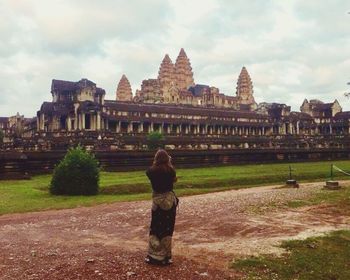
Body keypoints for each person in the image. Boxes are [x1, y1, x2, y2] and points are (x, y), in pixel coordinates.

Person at [145, 149, 178, 265]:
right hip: (169, 202)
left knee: (155, 228)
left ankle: (153, 256)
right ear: (167, 158)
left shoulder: (150, 171)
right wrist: (169, 163)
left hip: (157, 203)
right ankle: (167, 257)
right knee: (167, 229)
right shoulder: (171, 170)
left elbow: (150, 173)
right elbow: (174, 180)